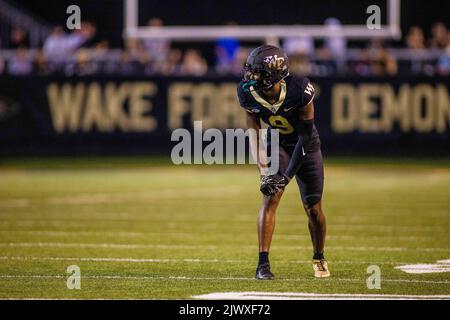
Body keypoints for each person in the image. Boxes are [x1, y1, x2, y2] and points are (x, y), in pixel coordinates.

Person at [237, 45, 329, 280]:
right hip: (277, 143)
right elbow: (254, 134)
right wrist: (264, 172)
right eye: (251, 71)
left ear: (274, 74)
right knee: (270, 197)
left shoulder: (299, 89)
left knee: (313, 210)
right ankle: (263, 264)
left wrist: (286, 177)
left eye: (258, 73)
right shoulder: (247, 92)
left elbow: (305, 138)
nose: (252, 77)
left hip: (306, 146)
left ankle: (318, 255)